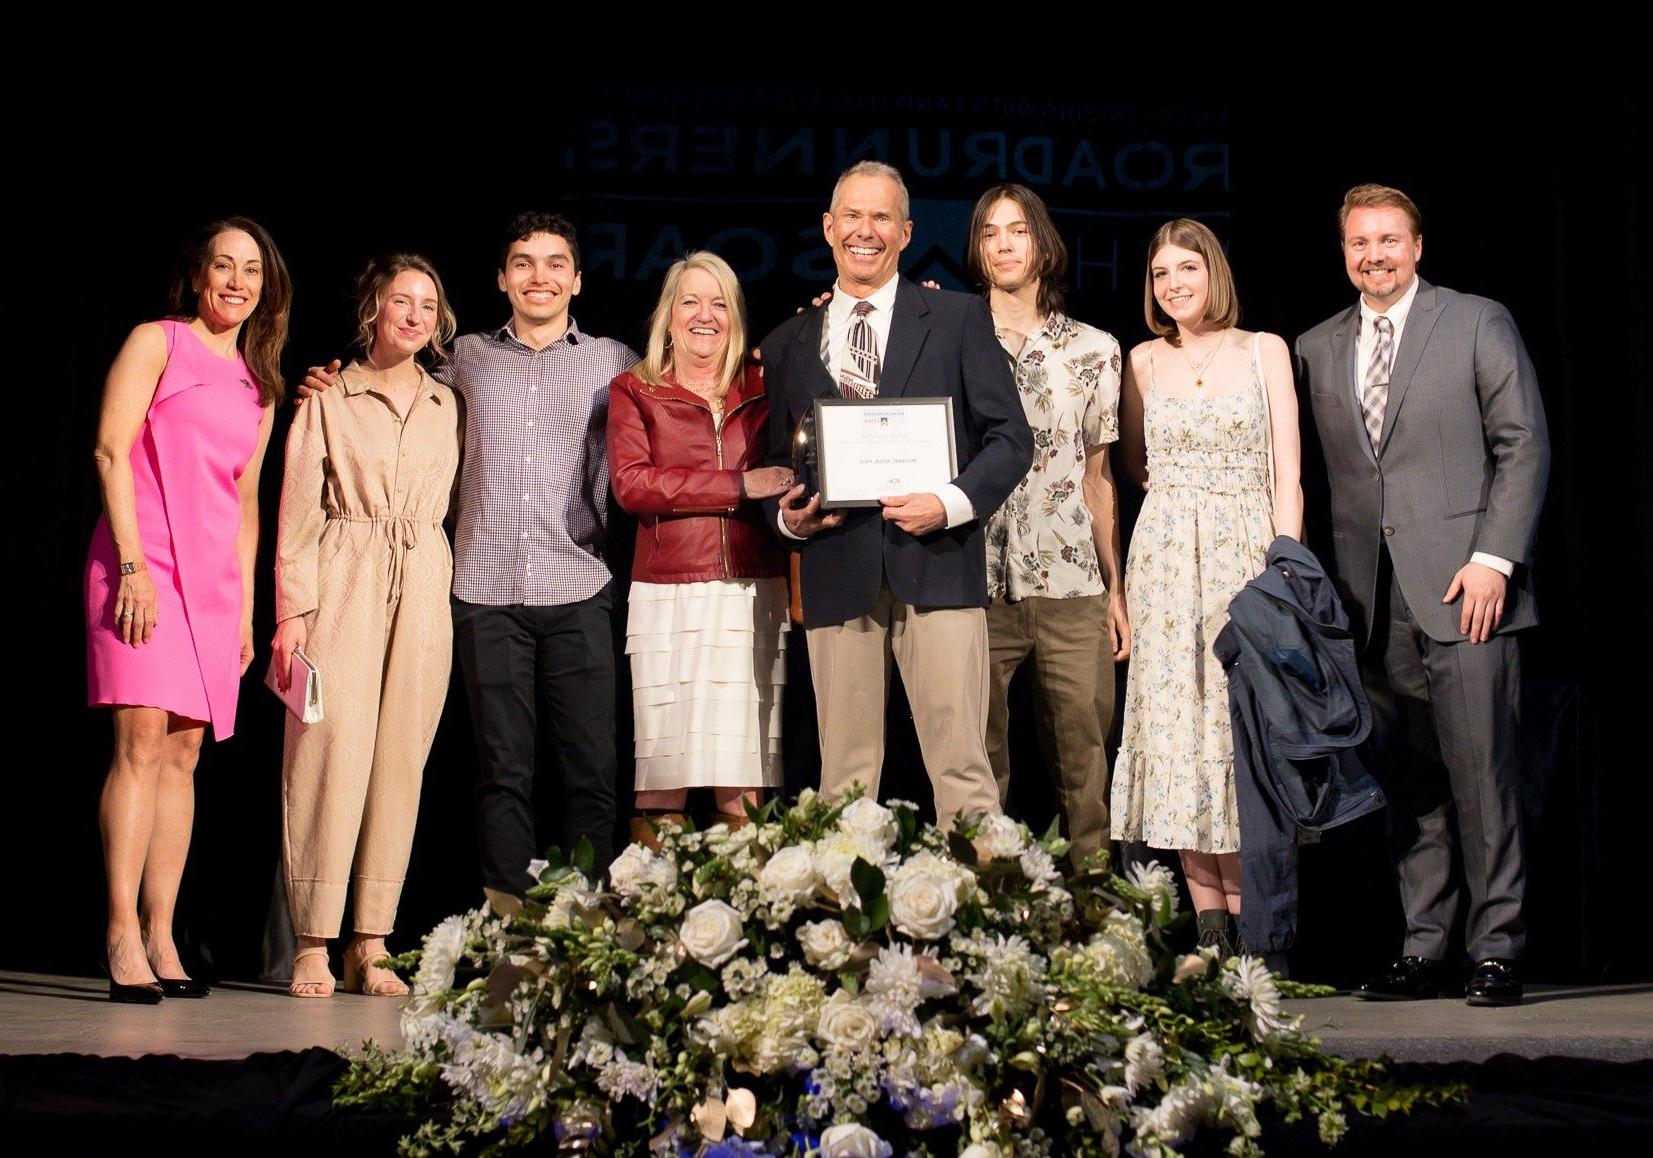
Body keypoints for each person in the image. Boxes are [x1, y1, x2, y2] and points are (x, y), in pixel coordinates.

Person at [303, 213, 637, 897]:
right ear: (501, 278)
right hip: (483, 591)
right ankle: (510, 930)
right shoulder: (463, 360)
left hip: (578, 584)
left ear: (576, 279)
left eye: (553, 264)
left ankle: (584, 928)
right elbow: (386, 381)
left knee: (589, 771)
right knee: (501, 772)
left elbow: (698, 381)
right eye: (523, 263)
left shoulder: (615, 361)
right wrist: (324, 384)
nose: (538, 276)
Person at [1296, 185, 1549, 1007]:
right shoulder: (1313, 347)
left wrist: (1494, 559)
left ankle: (1497, 947)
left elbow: (1522, 444)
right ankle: (1425, 946)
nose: (1372, 254)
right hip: (1367, 602)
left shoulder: (1475, 320)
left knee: (1482, 777)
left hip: (1465, 587)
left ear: (1416, 246)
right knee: (1408, 787)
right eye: (1357, 242)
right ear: (1343, 252)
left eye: (1387, 240)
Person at [758, 161, 1033, 829]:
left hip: (937, 562)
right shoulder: (788, 341)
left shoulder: (957, 317)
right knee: (843, 778)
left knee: (962, 768)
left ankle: (975, 928)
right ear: (828, 228)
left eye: (881, 217)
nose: (864, 230)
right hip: (835, 569)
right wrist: (789, 523)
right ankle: (843, 930)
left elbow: (1009, 440)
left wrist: (950, 501)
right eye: (851, 215)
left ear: (906, 232)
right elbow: (775, 463)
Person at [86, 218, 291, 1002]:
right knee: (139, 742)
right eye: (223, 266)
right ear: (198, 275)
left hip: (210, 587)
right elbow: (110, 449)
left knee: (183, 753)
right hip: (142, 562)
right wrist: (132, 567)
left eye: (251, 271)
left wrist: (242, 614)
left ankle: (162, 931)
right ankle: (118, 932)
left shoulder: (258, 383)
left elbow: (245, 503)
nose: (236, 281)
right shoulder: (157, 341)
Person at [1111, 218, 1303, 958]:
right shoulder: (1141, 362)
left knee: (1238, 737)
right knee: (1177, 737)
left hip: (1246, 562)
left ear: (1211, 273)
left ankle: (1262, 936)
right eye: (1160, 274)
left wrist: (1284, 566)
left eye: (1185, 268)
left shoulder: (1263, 351)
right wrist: (1181, 510)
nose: (1173, 284)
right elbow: (1134, 463)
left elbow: (1287, 471)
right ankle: (1211, 935)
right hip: (1164, 568)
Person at [273, 255, 462, 997]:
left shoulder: (451, 404)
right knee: (328, 754)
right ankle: (313, 939)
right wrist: (293, 610)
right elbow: (297, 510)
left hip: (422, 577)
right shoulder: (330, 396)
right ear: (372, 310)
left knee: (399, 760)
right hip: (344, 572)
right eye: (400, 302)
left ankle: (371, 938)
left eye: (427, 303)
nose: (414, 315)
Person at [967, 183, 1130, 867]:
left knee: (1085, 770)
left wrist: (1114, 591)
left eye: (1017, 231)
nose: (1004, 244)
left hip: (1070, 585)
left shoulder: (1094, 349)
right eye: (989, 232)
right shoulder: (950, 335)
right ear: (976, 249)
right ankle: (980, 926)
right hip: (971, 584)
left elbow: (1098, 479)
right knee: (976, 768)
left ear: (1042, 244)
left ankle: (1096, 918)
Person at [607, 252, 793, 844]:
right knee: (663, 772)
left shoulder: (766, 385)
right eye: (690, 301)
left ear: (736, 317)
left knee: (744, 775)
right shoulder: (635, 389)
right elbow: (634, 485)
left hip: (753, 591)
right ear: (668, 315)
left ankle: (742, 922)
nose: (704, 315)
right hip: (666, 594)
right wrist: (739, 485)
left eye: (719, 303)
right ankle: (652, 920)